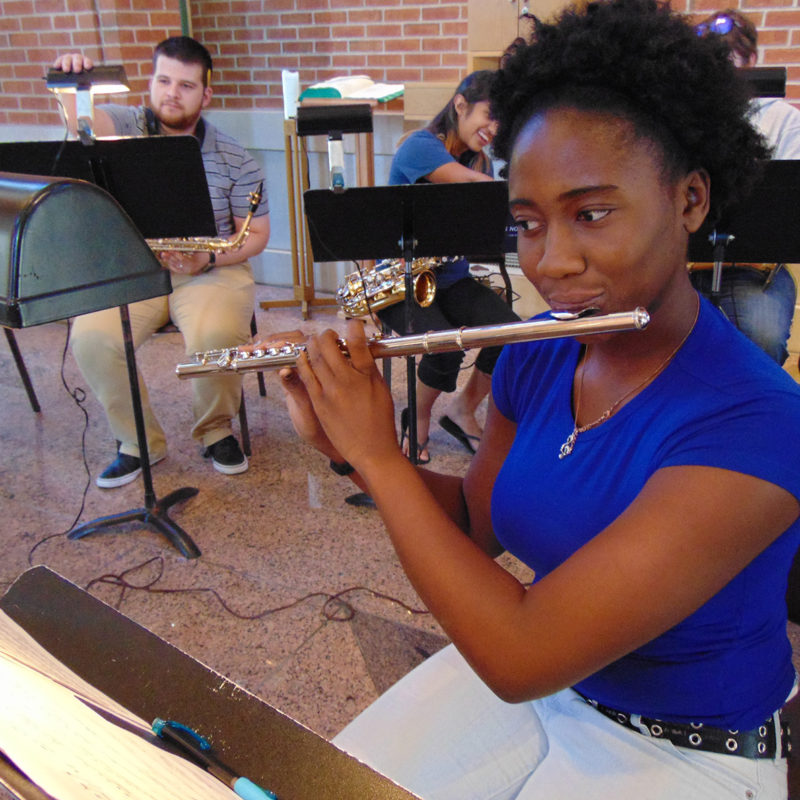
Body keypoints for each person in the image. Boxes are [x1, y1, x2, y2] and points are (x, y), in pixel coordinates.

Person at [274, 1, 800, 797]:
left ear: (690, 200)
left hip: (688, 746)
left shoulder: (756, 422)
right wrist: (347, 447)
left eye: (591, 214)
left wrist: (383, 459)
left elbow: (520, 654)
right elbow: (478, 529)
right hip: (550, 689)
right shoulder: (546, 348)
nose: (551, 264)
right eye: (526, 223)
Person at [50, 37, 270, 486]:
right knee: (91, 336)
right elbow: (81, 123)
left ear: (205, 95)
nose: (172, 93)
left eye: (187, 86)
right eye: (163, 80)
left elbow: (258, 235)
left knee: (215, 333)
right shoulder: (124, 127)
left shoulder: (235, 157)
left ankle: (214, 431)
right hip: (136, 267)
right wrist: (77, 82)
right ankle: (137, 442)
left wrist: (206, 261)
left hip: (209, 268)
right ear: (150, 83)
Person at [377, 70, 520, 463]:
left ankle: (462, 410)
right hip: (401, 281)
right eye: (489, 115)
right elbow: (474, 187)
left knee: (511, 335)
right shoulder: (418, 147)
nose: (494, 128)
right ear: (460, 105)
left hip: (450, 278)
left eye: (501, 123)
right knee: (443, 346)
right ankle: (418, 418)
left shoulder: (481, 161)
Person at [692, 8, 799, 365]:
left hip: (756, 271)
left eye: (728, 59)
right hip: (681, 269)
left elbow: (786, 204)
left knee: (760, 342)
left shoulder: (783, 119)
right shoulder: (682, 116)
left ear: (751, 60)